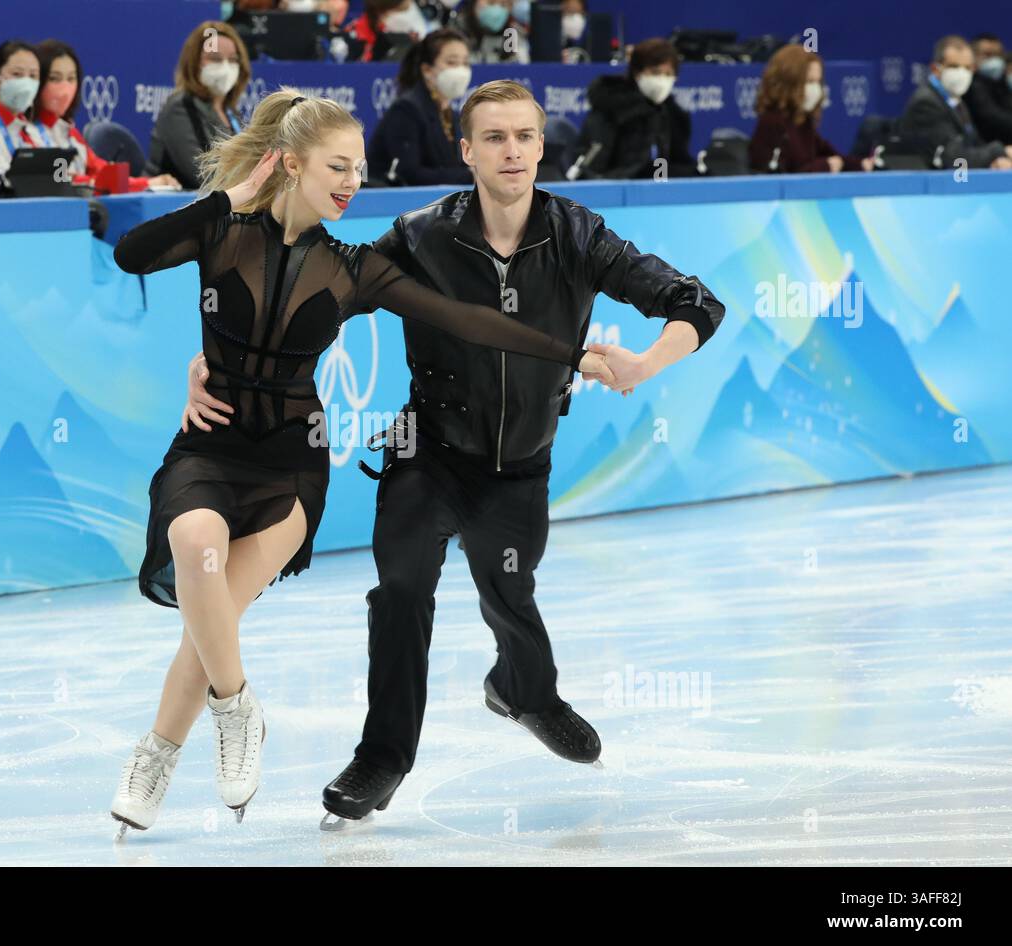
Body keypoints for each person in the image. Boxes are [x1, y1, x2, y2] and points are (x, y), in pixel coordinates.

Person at [182, 80, 725, 824]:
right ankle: (382, 756)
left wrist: (645, 362)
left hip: (520, 464)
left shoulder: (578, 234)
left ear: (541, 145)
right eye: (494, 138)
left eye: (525, 137)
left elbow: (695, 302)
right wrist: (224, 359)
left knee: (510, 590)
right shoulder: (421, 234)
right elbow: (315, 290)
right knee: (402, 591)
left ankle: (524, 692)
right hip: (426, 451)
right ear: (466, 151)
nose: (512, 151)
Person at [108, 87, 608, 834]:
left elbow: (467, 320)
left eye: (360, 169)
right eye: (337, 166)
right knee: (194, 548)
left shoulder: (352, 266)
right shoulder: (225, 233)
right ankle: (235, 707)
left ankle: (158, 753)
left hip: (291, 461)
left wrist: (573, 353)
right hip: (208, 446)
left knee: (210, 615)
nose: (351, 183)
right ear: (291, 164)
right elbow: (131, 254)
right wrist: (229, 199)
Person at [30, 39, 179, 190]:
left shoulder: (69, 133)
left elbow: (102, 172)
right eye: (54, 78)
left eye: (71, 78)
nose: (65, 88)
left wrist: (148, 183)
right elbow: (63, 180)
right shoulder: (26, 132)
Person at [145, 21, 249, 189]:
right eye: (215, 58)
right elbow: (204, 176)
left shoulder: (231, 112)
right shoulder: (180, 108)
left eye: (232, 60)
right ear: (194, 62)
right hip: (176, 207)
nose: (225, 66)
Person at [366, 28, 475, 186]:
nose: (461, 70)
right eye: (452, 62)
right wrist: (469, 176)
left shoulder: (453, 115)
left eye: (465, 63)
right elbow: (409, 174)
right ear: (427, 70)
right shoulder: (406, 110)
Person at [579, 37, 696, 179]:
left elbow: (672, 165)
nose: (662, 80)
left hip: (657, 193)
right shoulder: (610, 109)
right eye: (655, 72)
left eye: (668, 74)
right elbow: (592, 171)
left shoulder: (671, 113)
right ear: (637, 73)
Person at [748, 44, 874, 173]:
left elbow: (829, 154)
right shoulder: (771, 123)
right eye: (809, 81)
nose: (815, 89)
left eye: (817, 82)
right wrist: (826, 166)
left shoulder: (802, 120)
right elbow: (779, 177)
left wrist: (860, 164)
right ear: (788, 83)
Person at [898, 35, 1012, 170]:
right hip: (928, 186)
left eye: (967, 68)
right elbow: (954, 159)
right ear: (935, 69)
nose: (961, 73)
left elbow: (973, 145)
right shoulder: (926, 104)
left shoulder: (956, 101)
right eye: (954, 66)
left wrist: (998, 158)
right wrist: (999, 151)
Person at [0, 40, 43, 176]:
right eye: (17, 74)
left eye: (33, 76)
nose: (27, 84)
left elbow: (52, 177)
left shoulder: (31, 131)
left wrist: (67, 177)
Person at [966, 33, 1012, 145]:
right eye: (987, 55)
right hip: (985, 149)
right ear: (973, 56)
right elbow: (991, 117)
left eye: (998, 55)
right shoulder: (970, 84)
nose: (994, 60)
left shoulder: (1003, 82)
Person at [452, 0, 529, 64]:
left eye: (503, 5)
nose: (496, 10)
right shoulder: (455, 32)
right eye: (491, 2)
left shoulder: (515, 36)